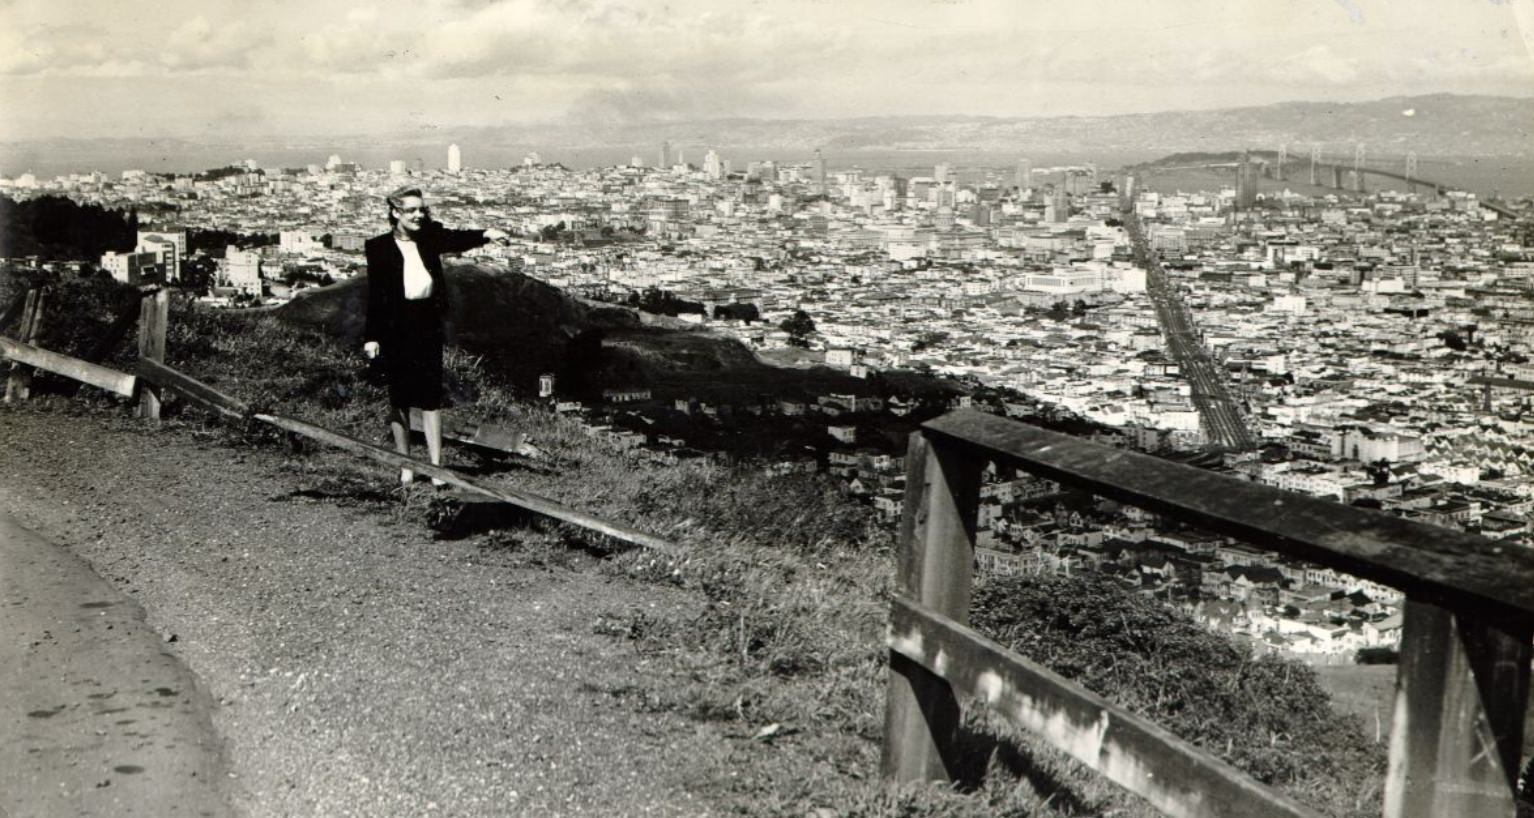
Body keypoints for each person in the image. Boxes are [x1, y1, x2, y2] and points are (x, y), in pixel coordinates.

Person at [362, 186, 509, 486]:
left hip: (427, 322)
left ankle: (436, 467)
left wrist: (486, 234)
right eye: (412, 210)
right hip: (395, 326)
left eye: (422, 209)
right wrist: (372, 336)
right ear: (395, 213)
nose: (419, 215)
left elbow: (457, 238)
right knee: (399, 397)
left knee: (431, 397)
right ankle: (406, 464)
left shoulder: (429, 237)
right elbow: (376, 296)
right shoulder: (378, 247)